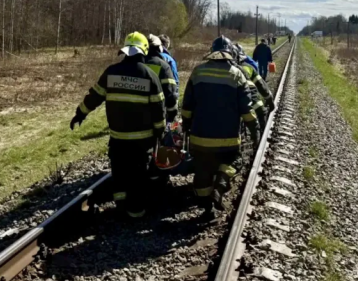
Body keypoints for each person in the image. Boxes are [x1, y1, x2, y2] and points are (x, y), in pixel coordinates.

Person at [69, 32, 165, 218]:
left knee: (119, 173)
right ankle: (135, 212)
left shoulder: (111, 72)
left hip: (118, 138)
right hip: (142, 141)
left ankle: (120, 206)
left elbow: (95, 96)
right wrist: (160, 132)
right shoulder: (150, 76)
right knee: (138, 175)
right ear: (144, 51)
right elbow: (158, 110)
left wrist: (80, 113)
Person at [181, 36, 259, 215]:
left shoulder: (197, 72)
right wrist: (255, 131)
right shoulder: (237, 74)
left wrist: (186, 126)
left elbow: (187, 106)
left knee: (202, 170)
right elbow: (247, 110)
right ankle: (220, 185)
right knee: (234, 160)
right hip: (228, 139)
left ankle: (206, 207)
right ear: (230, 53)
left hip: (199, 137)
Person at [234, 43, 275, 135]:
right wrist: (269, 99)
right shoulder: (248, 67)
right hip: (248, 100)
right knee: (260, 110)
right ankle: (260, 133)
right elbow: (261, 85)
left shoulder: (223, 69)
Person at [146, 35, 179, 122]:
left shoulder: (140, 60)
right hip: (161, 103)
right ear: (167, 44)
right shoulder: (168, 60)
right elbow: (174, 82)